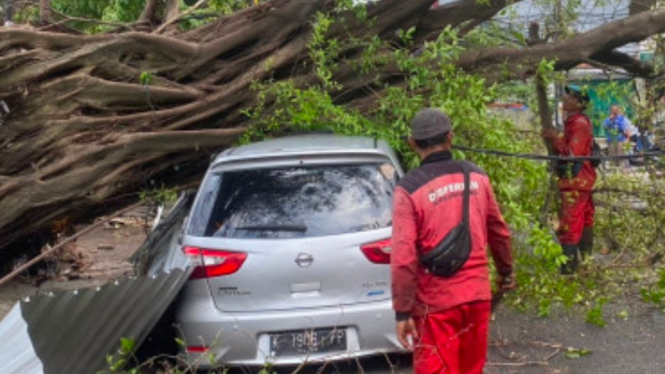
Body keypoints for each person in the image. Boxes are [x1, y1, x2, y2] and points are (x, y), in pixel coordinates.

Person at [391, 108, 515, 374]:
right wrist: (506, 273)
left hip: (436, 304)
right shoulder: (477, 177)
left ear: (412, 143)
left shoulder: (408, 188)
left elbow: (403, 258)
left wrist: (402, 312)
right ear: (450, 137)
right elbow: (499, 232)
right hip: (477, 296)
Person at [542, 85, 597, 274]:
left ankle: (569, 269)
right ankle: (585, 262)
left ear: (579, 104)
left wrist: (555, 139)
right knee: (585, 219)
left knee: (569, 224)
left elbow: (573, 153)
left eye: (571, 97)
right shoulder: (572, 122)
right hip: (579, 180)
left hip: (576, 181)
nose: (566, 99)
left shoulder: (579, 124)